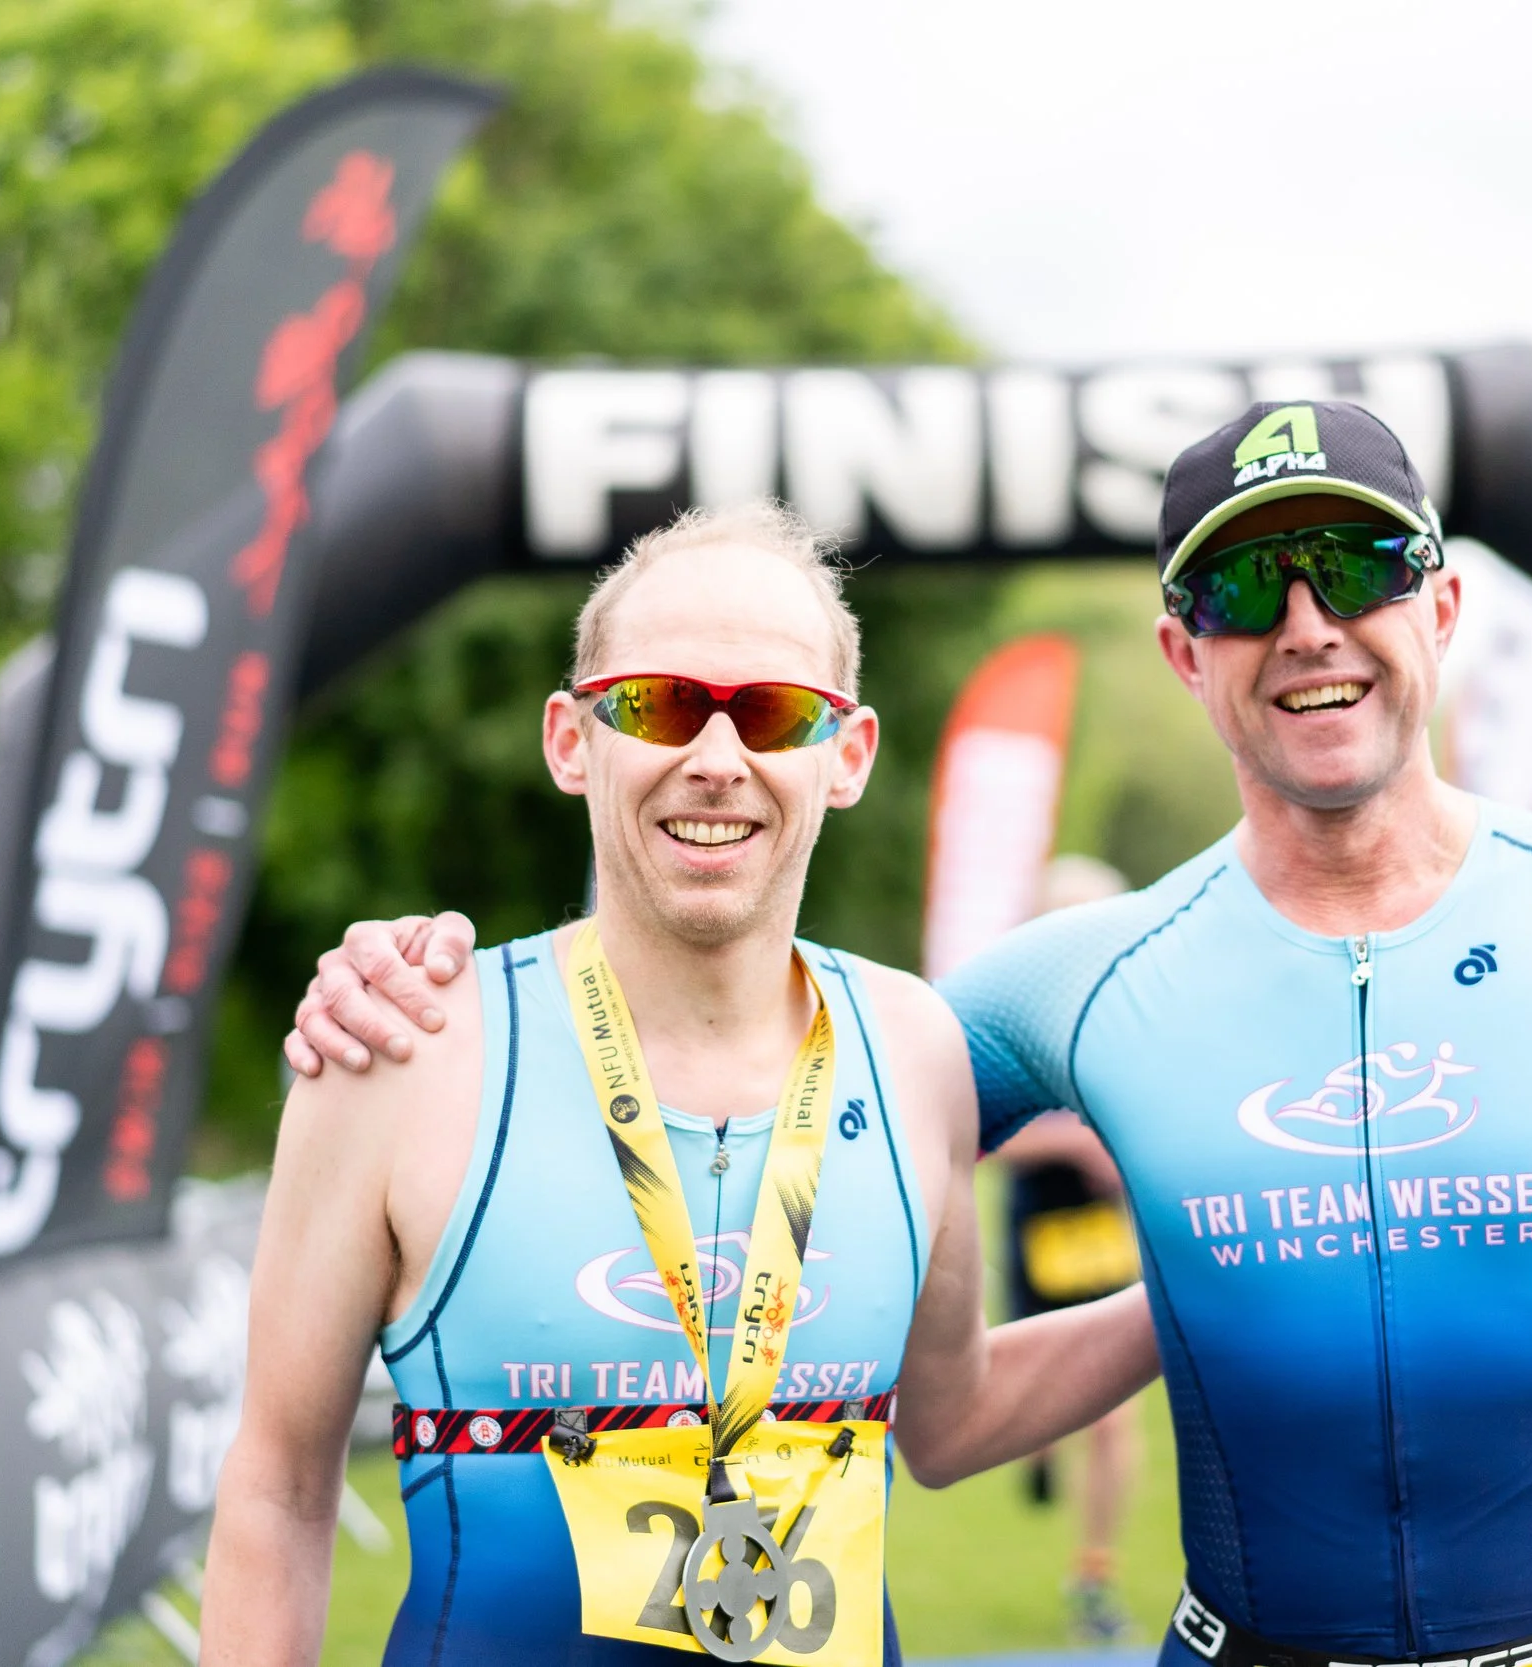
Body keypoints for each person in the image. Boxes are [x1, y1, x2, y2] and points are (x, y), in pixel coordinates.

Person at [292, 403, 1532, 1666]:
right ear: (1183, 651)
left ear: (1441, 613)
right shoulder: (1055, 988)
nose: (1306, 622)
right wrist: (412, 992)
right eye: (1244, 585)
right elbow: (718, 1067)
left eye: (1360, 566)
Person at [204, 505, 1159, 1666]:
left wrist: (1194, 1285)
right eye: (660, 703)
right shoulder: (405, 1046)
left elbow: (951, 1420)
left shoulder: (913, 1045)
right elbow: (279, 1488)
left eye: (772, 711)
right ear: (571, 739)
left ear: (845, 755)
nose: (717, 758)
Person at [999, 854, 1144, 1645]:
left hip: (1107, 1238)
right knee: (1037, 1400)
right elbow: (978, 1143)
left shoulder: (1135, 1017)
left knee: (1114, 1419)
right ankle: (1040, 1447)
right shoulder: (1013, 1020)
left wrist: (1124, 1158)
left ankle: (1095, 1572)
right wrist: (1070, 1145)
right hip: (1039, 1232)